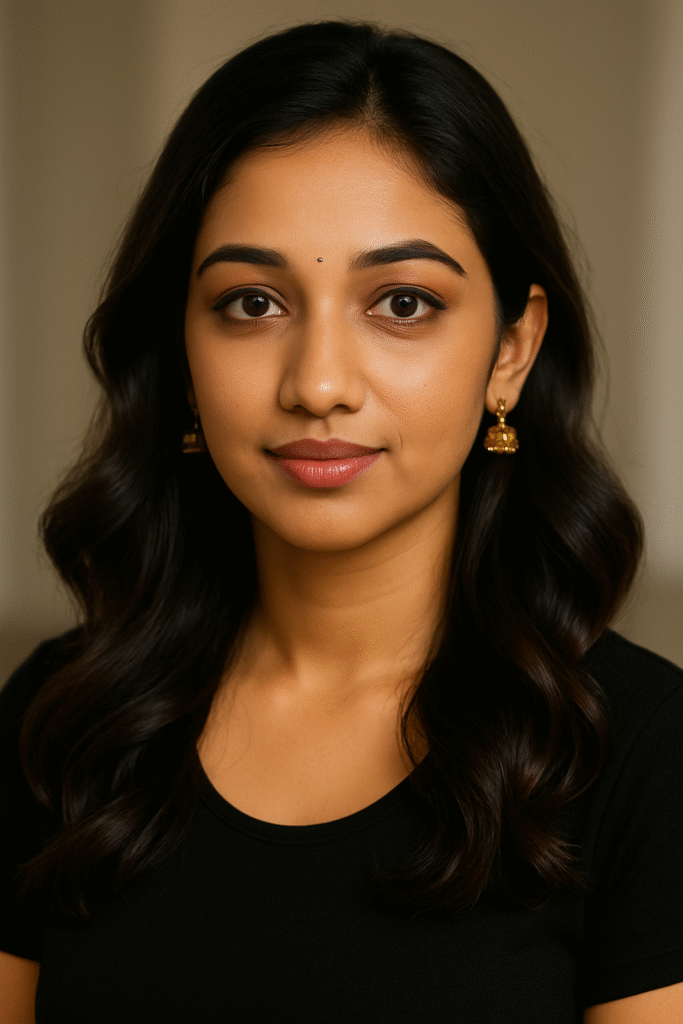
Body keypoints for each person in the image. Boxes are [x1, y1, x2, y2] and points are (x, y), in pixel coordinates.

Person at [1, 20, 682, 1023]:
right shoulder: (61, 720)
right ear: (180, 347)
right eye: (251, 303)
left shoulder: (645, 755)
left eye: (401, 303)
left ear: (510, 350)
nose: (317, 383)